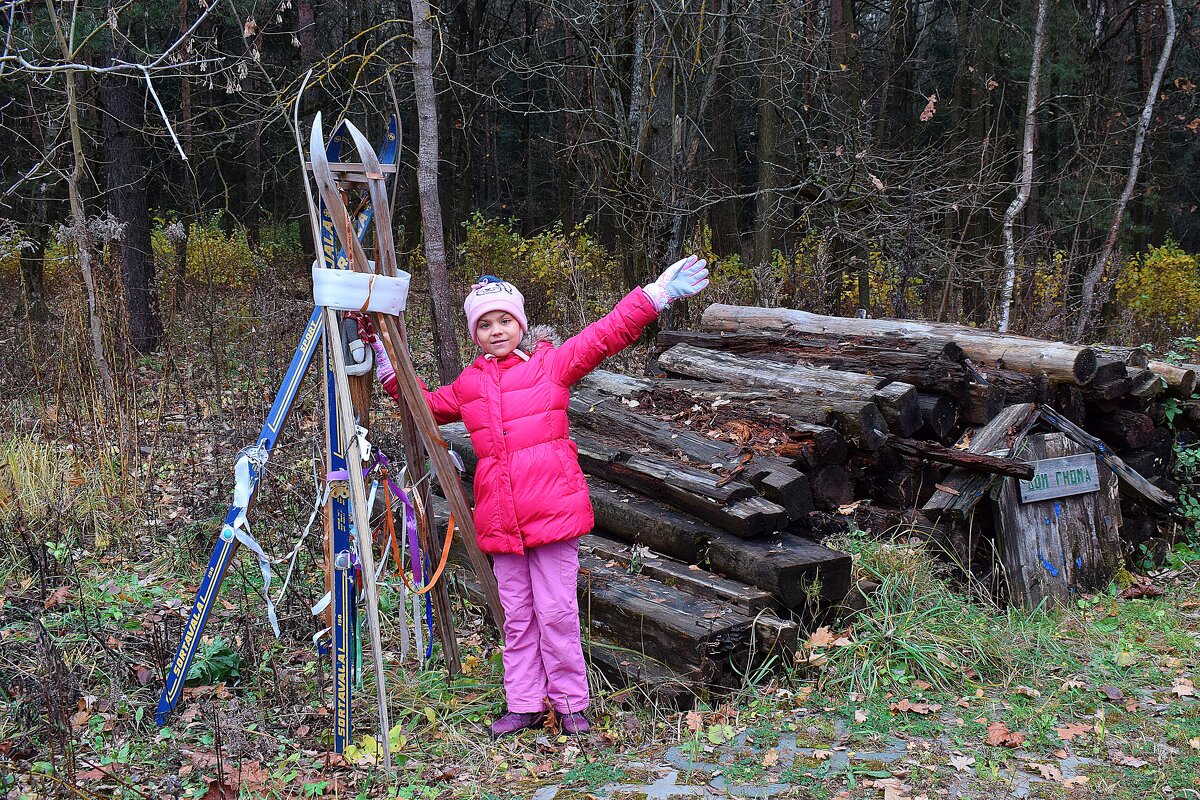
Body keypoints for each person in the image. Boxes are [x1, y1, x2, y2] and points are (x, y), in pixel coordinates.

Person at [370, 255, 709, 737]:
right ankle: (525, 703)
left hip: (552, 515)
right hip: (502, 523)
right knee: (518, 618)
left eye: (504, 319)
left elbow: (603, 336)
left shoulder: (551, 365)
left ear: (520, 323)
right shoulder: (469, 384)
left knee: (556, 613)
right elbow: (423, 404)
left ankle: (571, 704)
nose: (496, 330)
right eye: (484, 324)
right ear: (474, 333)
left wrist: (655, 296)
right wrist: (387, 361)